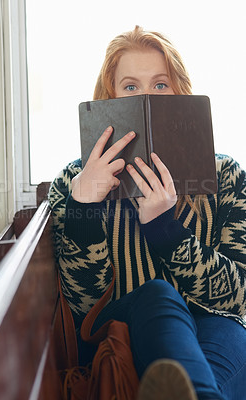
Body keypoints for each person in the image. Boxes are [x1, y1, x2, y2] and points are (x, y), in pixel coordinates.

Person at [48, 26, 246, 400]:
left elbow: (238, 297)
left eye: (159, 85)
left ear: (180, 94)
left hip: (213, 326)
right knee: (156, 293)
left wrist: (166, 230)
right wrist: (84, 208)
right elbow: (82, 306)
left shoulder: (227, 175)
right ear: (109, 98)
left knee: (224, 350)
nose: (146, 97)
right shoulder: (73, 181)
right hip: (121, 331)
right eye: (130, 87)